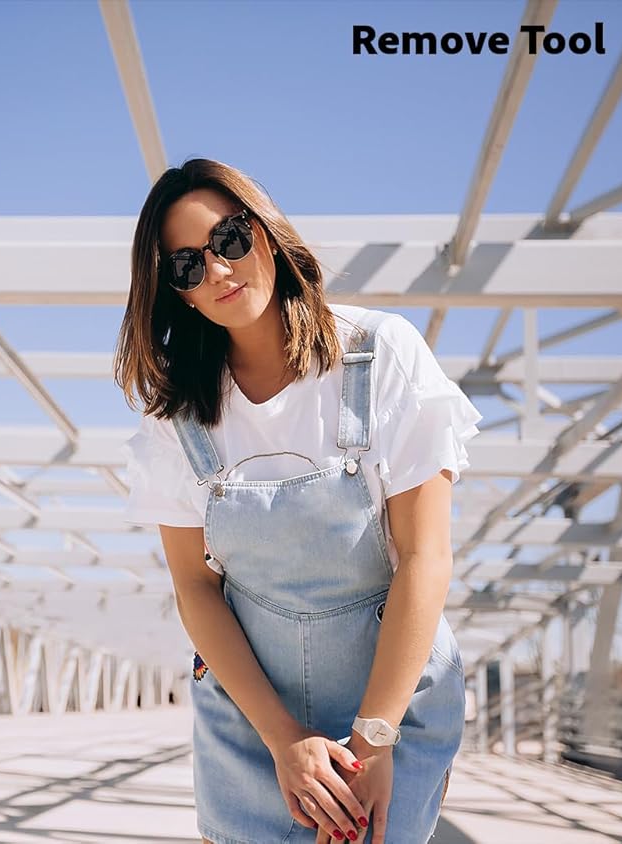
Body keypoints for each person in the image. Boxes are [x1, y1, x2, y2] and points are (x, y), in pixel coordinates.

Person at [117, 159, 475, 844]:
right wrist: (284, 741)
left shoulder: (380, 354)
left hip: (390, 706)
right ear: (175, 294)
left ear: (267, 232)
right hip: (255, 717)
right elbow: (196, 587)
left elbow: (426, 559)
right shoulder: (176, 419)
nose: (218, 271)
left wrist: (373, 738)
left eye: (228, 240)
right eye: (186, 267)